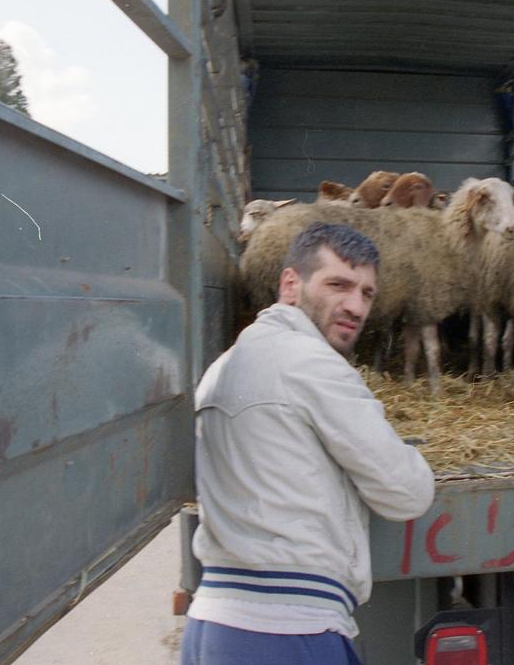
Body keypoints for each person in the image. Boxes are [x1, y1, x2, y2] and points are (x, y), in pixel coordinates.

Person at [182, 222, 435, 664]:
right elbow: (406, 493)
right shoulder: (311, 363)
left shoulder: (223, 365)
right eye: (338, 285)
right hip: (283, 631)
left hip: (213, 624)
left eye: (367, 294)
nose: (355, 306)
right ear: (290, 284)